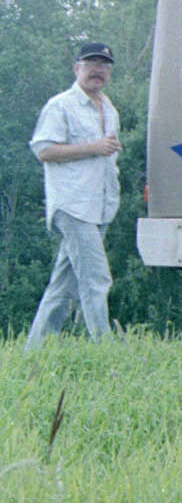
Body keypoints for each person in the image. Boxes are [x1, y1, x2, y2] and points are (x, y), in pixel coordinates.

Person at [26, 42, 123, 351]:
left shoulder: (109, 109)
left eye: (104, 65)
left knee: (63, 284)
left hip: (101, 206)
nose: (98, 70)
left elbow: (108, 158)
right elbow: (44, 150)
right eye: (91, 63)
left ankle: (35, 350)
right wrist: (93, 147)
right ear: (77, 68)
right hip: (73, 204)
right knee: (96, 278)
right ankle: (105, 348)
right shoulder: (61, 106)